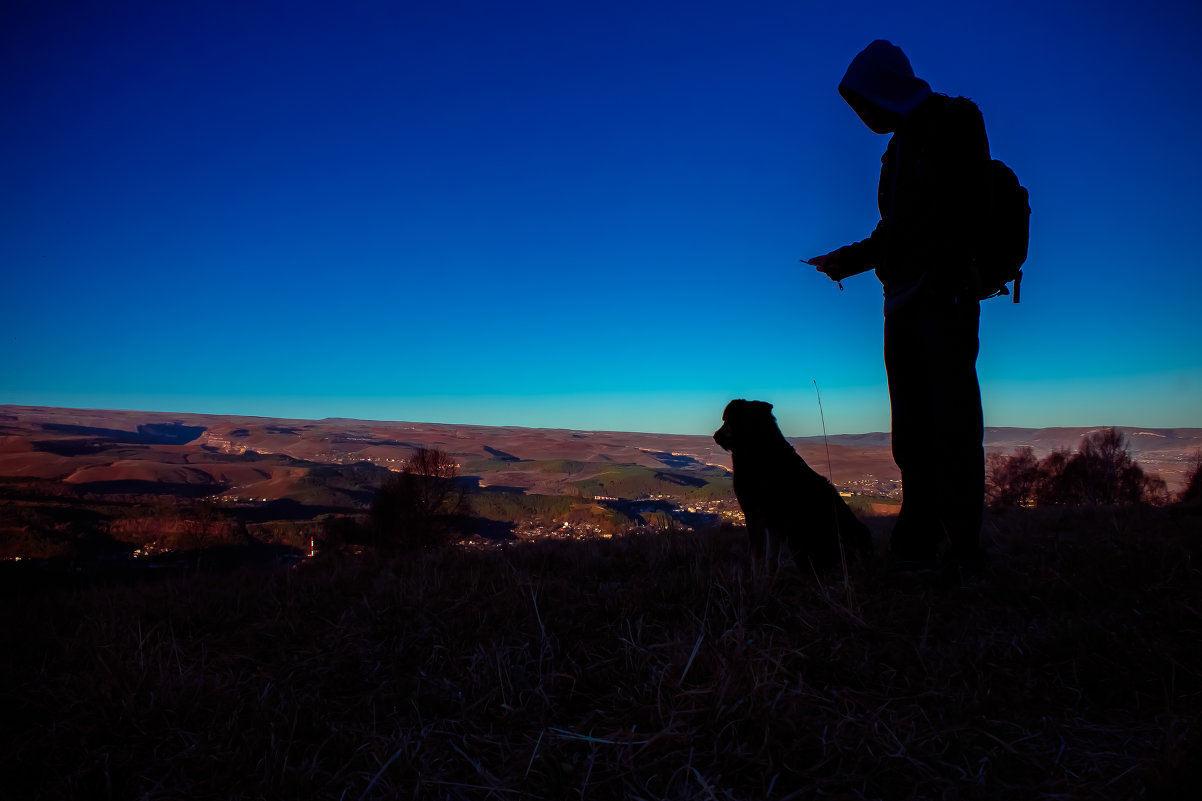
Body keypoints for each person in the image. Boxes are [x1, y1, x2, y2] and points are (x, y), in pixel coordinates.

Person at [808, 40, 991, 576]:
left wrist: (946, 273)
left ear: (886, 87)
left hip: (943, 299)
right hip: (902, 303)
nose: (863, 115)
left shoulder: (955, 120)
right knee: (912, 430)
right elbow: (894, 232)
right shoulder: (898, 148)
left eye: (864, 102)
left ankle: (963, 549)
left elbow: (970, 209)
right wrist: (847, 261)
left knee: (952, 423)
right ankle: (917, 540)